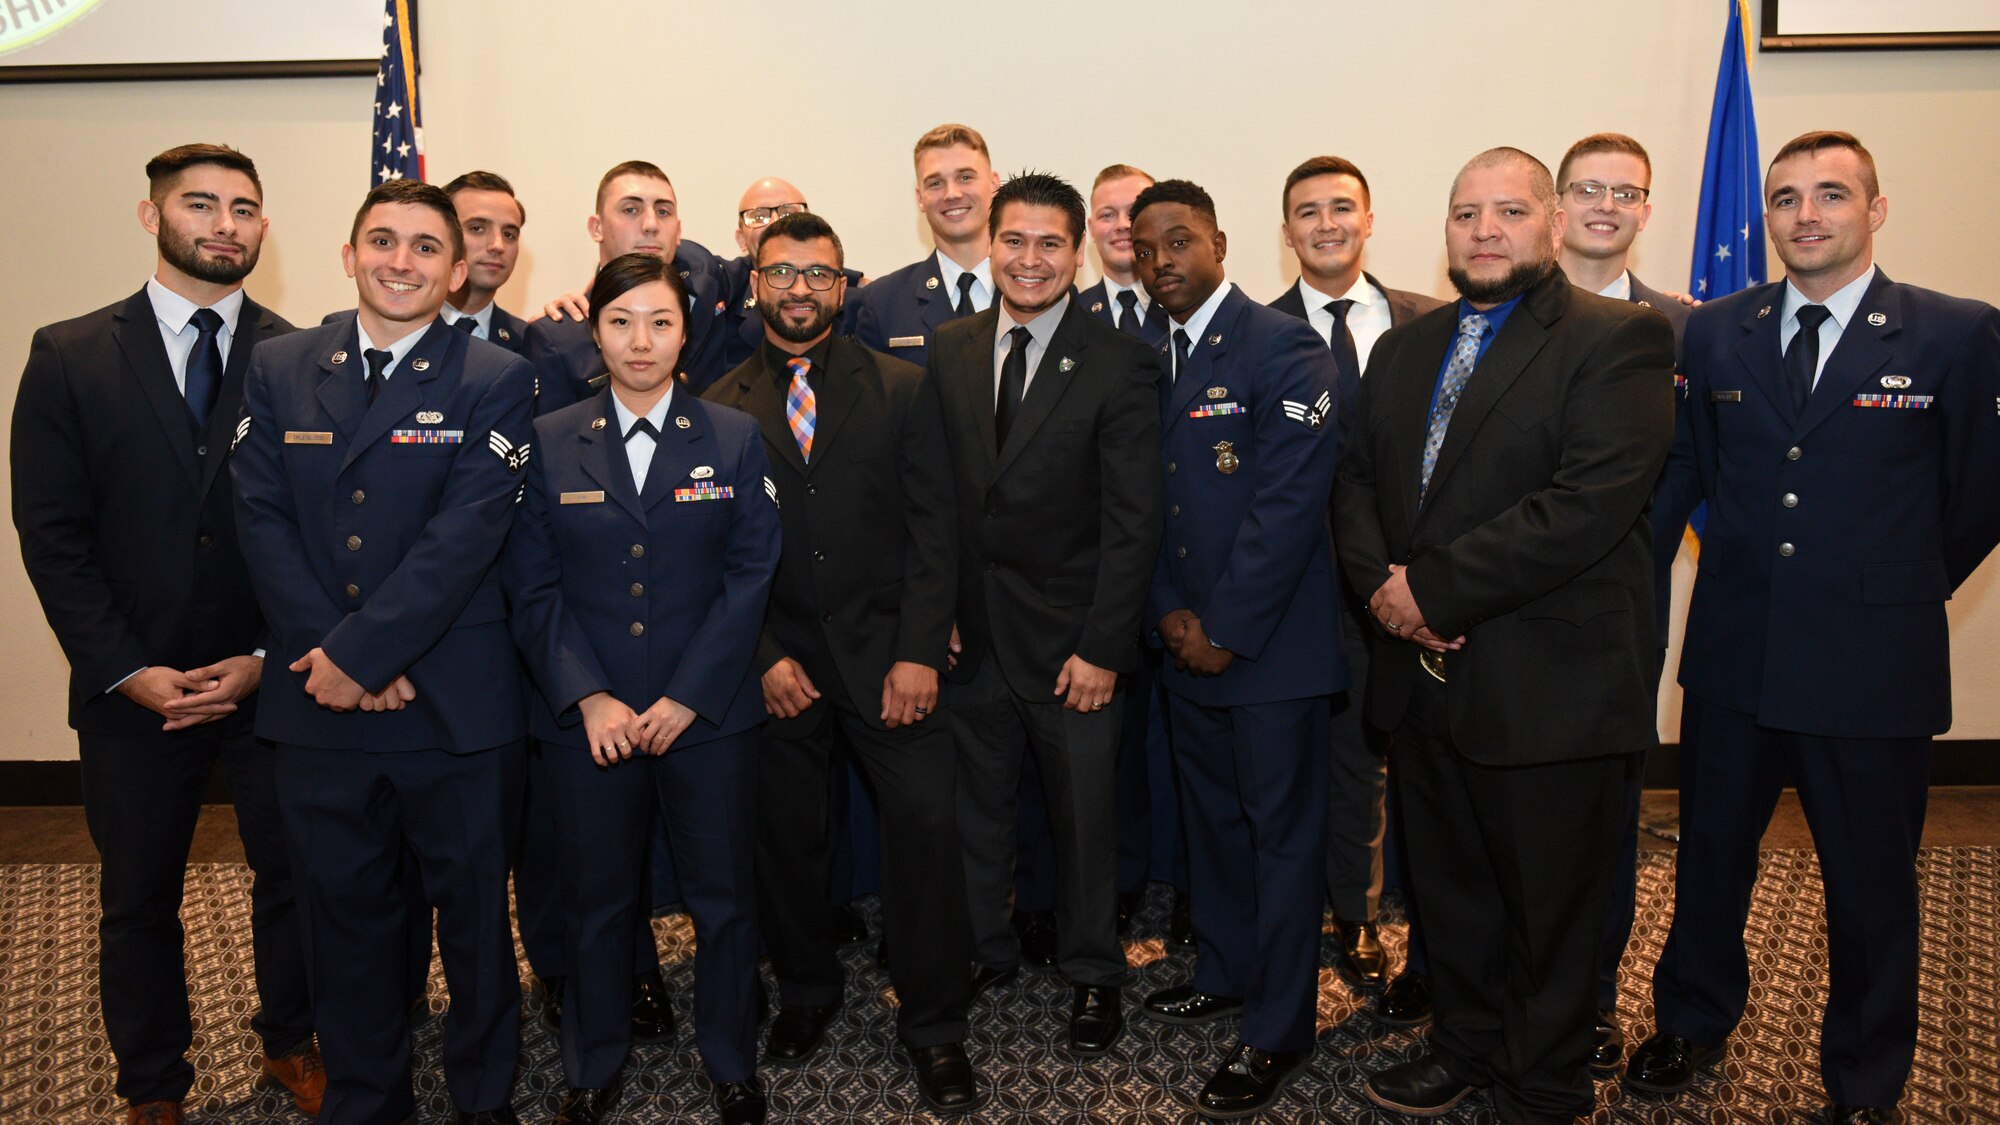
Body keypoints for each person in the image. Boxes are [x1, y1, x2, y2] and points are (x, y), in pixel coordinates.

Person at [1627, 131, 2000, 1125]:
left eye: (1829, 195)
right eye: (1784, 198)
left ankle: (1864, 1078)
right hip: (1732, 655)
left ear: (1872, 210)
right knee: (1708, 857)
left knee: (1869, 888)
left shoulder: (1951, 334)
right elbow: (1695, 474)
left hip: (1870, 664)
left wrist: (1894, 587)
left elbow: (1976, 494)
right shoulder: (1715, 334)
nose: (1804, 216)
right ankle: (1689, 1020)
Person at [1335, 148, 1673, 1124]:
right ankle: (1465, 1046)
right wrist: (1381, 595)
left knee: (1549, 911)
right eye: (1462, 212)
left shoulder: (1619, 340)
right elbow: (1353, 481)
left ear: (1553, 222)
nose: (1482, 229)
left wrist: (1429, 591)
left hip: (1548, 684)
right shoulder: (1403, 345)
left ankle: (1542, 1082)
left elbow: (1584, 507)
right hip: (1425, 680)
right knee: (1451, 894)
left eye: (1507, 210)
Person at [10, 142, 320, 1125]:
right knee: (138, 897)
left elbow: (324, 529)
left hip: (265, 680)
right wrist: (123, 667)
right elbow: (51, 536)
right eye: (201, 205)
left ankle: (289, 1038)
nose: (224, 223)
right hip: (131, 690)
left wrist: (267, 660)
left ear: (263, 229)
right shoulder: (70, 354)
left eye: (243, 208)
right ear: (153, 218)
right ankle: (151, 1082)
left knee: (294, 875)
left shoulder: (298, 357)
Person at [231, 178, 536, 1125]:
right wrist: (337, 659)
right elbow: (261, 517)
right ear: (349, 252)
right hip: (317, 706)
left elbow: (466, 534)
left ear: (455, 271)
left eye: (424, 248)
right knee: (345, 924)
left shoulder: (495, 377)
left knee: (477, 928)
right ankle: (367, 1100)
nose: (401, 262)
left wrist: (362, 654)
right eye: (383, 241)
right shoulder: (280, 366)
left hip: (455, 707)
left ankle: (484, 1099)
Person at [703, 211, 982, 1114]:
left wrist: (916, 652)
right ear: (755, 285)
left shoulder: (904, 386)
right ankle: (808, 992)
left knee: (926, 839)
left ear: (844, 286)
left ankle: (936, 1024)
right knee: (787, 843)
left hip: (890, 662)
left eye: (819, 274)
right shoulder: (718, 405)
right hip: (781, 667)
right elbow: (715, 555)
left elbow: (938, 528)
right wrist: (763, 655)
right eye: (781, 273)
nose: (800, 290)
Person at [504, 252, 780, 1125]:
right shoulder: (549, 440)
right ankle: (592, 1062)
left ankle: (731, 1056)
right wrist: (588, 696)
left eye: (660, 321)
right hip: (592, 722)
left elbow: (750, 577)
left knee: (723, 900)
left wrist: (687, 697)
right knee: (597, 900)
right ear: (595, 332)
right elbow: (532, 585)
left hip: (709, 717)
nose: (641, 340)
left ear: (685, 332)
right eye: (621, 321)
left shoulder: (733, 436)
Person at [932, 171, 1162, 1060]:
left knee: (1085, 823)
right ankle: (988, 949)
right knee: (977, 814)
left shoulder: (1118, 359)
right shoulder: (950, 346)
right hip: (972, 638)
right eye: (1014, 241)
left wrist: (1105, 645)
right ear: (991, 245)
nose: (1030, 260)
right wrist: (936, 614)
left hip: (1075, 647)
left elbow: (1134, 521)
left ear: (1078, 254)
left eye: (1049, 244)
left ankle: (1095, 972)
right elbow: (939, 498)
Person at [1129, 178, 1344, 1119]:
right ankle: (1223, 969)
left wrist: (1222, 626)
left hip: (1270, 653)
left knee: (1281, 838)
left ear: (1220, 242)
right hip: (1185, 644)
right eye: (1144, 249)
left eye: (1179, 242)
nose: (1161, 261)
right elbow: (1147, 507)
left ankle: (1278, 1027)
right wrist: (1174, 614)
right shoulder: (1146, 355)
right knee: (1211, 824)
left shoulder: (1285, 347)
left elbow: (1288, 507)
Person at [1268, 153, 1445, 1002]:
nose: (1326, 223)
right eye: (1308, 211)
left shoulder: (1437, 322)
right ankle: (1353, 915)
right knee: (1345, 765)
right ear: (1287, 231)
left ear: (1370, 220)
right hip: (1308, 594)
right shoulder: (1259, 333)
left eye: (1343, 207)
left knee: (1431, 763)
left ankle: (1433, 927)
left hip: (1426, 589)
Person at [1550, 131, 1694, 1076]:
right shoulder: (1493, 308)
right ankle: (1463, 984)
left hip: (1622, 617)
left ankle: (1591, 999)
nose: (1608, 203)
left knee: (1603, 819)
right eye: (1589, 187)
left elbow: (1701, 467)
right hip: (1501, 612)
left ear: (1647, 209)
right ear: (1558, 203)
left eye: (1627, 191)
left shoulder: (1692, 329)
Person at [1077, 162, 1187, 943]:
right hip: (1098, 583)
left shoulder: (1184, 313)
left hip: (1182, 581)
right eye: (1107, 213)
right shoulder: (1067, 318)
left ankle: (1185, 886)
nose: (1121, 225)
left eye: (1134, 213)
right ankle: (1114, 884)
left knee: (1180, 749)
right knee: (1107, 756)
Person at [528, 160, 732, 405]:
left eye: (663, 211)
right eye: (631, 210)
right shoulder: (559, 337)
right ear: (597, 227)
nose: (650, 225)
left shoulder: (708, 289)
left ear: (678, 232)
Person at [321, 171, 531, 356]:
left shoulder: (534, 341)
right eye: (476, 228)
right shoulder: (343, 331)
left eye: (509, 234)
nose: (497, 245)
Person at [848, 124, 999, 370]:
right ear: (920, 198)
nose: (952, 193)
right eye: (936, 183)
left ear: (994, 184)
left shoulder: (1034, 288)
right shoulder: (883, 302)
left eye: (965, 177)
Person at [713, 178, 866, 371]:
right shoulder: (724, 302)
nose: (777, 222)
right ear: (741, 239)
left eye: (789, 212)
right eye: (758, 216)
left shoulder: (858, 305)